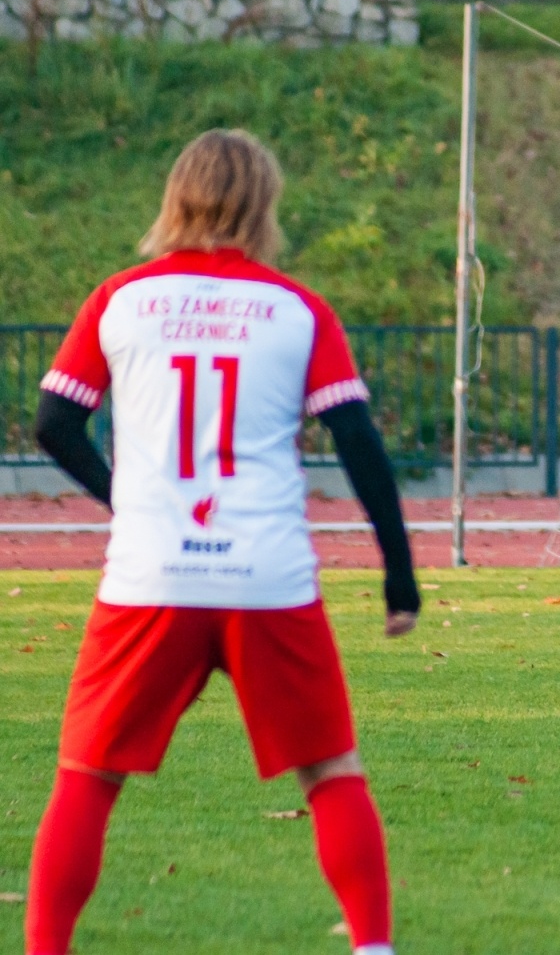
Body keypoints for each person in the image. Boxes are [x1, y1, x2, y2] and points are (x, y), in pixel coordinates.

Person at [27, 129, 420, 955]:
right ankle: (374, 949)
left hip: (149, 575)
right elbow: (358, 442)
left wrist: (123, 500)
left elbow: (56, 422)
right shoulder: (296, 309)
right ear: (264, 204)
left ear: (176, 198)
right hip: (266, 578)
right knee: (331, 774)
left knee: (88, 779)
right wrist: (399, 576)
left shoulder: (121, 299)